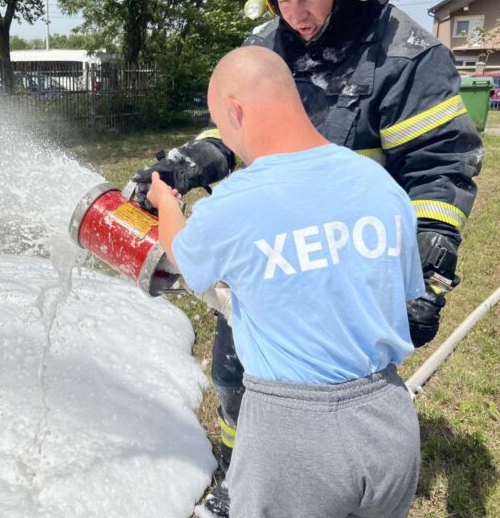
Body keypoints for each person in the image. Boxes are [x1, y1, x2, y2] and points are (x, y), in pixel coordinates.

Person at [131, 0, 483, 514]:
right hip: (275, 255)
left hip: (355, 254)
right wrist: (191, 163)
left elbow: (439, 167)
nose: (297, 13)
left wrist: (428, 268)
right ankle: (244, 477)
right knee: (234, 370)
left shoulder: (405, 58)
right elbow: (239, 131)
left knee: (342, 373)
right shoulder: (269, 44)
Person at [147, 45, 423, 518]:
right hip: (390, 424)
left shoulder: (234, 204)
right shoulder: (382, 186)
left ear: (234, 110)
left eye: (222, 125)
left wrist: (166, 202)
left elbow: (184, 257)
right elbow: (393, 289)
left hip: (293, 437)